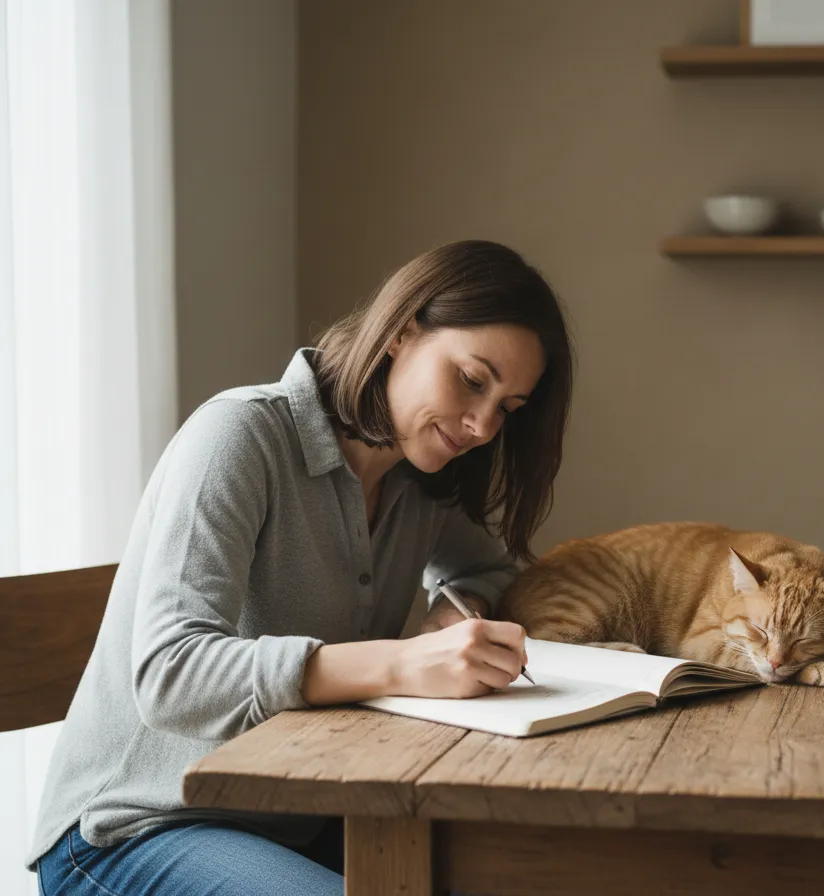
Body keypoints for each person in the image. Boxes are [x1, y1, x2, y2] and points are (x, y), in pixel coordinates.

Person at [32, 239, 574, 895]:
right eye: (471, 379)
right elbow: (169, 673)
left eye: (508, 409)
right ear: (403, 331)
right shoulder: (240, 436)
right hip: (130, 832)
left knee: (533, 871)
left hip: (299, 816)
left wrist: (448, 618)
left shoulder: (417, 483)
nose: (484, 426)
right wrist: (401, 664)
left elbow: (491, 570)